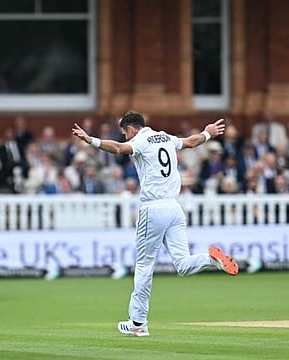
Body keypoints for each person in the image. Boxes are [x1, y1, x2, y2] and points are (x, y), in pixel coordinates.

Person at [71, 110, 239, 337]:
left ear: (131, 128)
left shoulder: (139, 139)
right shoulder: (165, 137)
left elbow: (119, 149)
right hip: (175, 208)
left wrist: (91, 140)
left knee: (144, 265)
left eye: (125, 133)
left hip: (153, 208)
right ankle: (211, 259)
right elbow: (190, 142)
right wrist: (207, 133)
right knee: (182, 264)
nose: (126, 137)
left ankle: (138, 322)